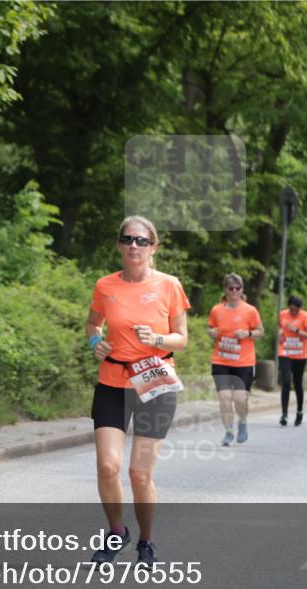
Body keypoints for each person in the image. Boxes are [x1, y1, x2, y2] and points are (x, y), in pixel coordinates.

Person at [85, 216, 190, 566]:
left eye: (141, 241)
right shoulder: (105, 286)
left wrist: (158, 339)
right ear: (119, 245)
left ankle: (146, 540)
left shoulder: (169, 285)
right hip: (112, 382)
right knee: (107, 466)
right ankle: (117, 532)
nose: (134, 245)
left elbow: (182, 337)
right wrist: (96, 342)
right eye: (127, 239)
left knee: (139, 473)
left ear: (153, 247)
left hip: (155, 385)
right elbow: (91, 325)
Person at [208, 273, 264, 446]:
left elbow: (260, 331)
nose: (234, 291)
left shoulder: (250, 310)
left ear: (242, 290)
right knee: (224, 398)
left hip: (243, 362)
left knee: (239, 399)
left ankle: (242, 422)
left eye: (237, 288)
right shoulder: (217, 310)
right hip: (221, 360)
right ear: (225, 290)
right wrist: (212, 332)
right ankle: (229, 432)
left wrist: (247, 333)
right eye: (230, 288)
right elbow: (210, 328)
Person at [278, 295, 307, 426]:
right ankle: (284, 414)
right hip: (285, 352)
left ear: (300, 308)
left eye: (296, 310)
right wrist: (280, 334)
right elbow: (280, 328)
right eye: (291, 309)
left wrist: (298, 331)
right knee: (286, 382)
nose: (293, 312)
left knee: (297, 383)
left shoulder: (305, 316)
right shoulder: (282, 314)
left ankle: (299, 411)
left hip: (300, 354)